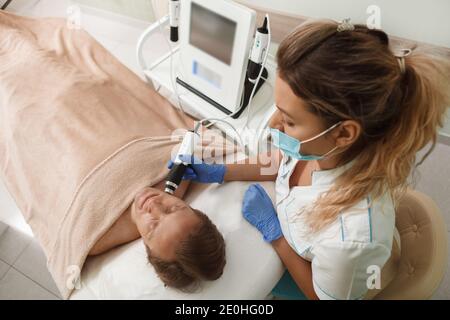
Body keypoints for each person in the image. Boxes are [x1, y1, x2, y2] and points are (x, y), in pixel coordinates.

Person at [172, 19, 450, 299]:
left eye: (289, 121)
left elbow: (319, 297)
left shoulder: (349, 239)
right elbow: (282, 160)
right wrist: (221, 171)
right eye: (278, 109)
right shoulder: (317, 147)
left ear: (343, 133)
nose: (272, 125)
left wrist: (276, 235)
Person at [89, 180, 226, 291]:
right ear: (192, 208)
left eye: (153, 226)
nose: (154, 204)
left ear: (147, 249)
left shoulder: (95, 237)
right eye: (174, 208)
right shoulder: (181, 171)